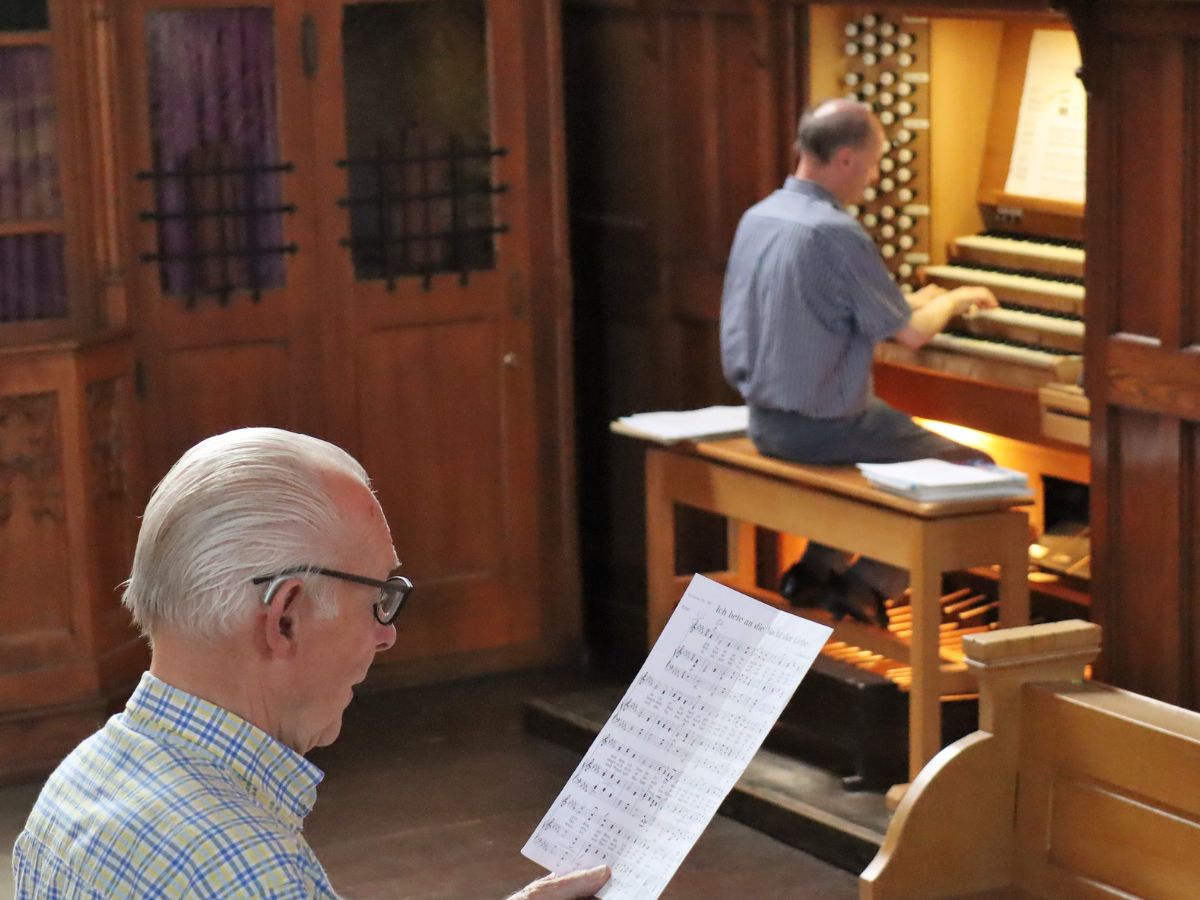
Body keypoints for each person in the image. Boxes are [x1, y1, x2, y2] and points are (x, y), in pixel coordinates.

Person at [12, 427, 608, 900]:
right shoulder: (249, 870)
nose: (387, 635)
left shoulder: (79, 785)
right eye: (378, 599)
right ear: (286, 617)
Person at [719, 98, 999, 626]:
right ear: (845, 159)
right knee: (977, 472)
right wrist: (957, 299)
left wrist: (917, 298)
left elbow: (845, 307)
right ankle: (868, 585)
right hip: (826, 429)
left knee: (889, 446)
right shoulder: (834, 232)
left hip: (765, 422)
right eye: (871, 166)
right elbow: (911, 334)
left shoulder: (762, 216)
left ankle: (817, 570)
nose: (870, 179)